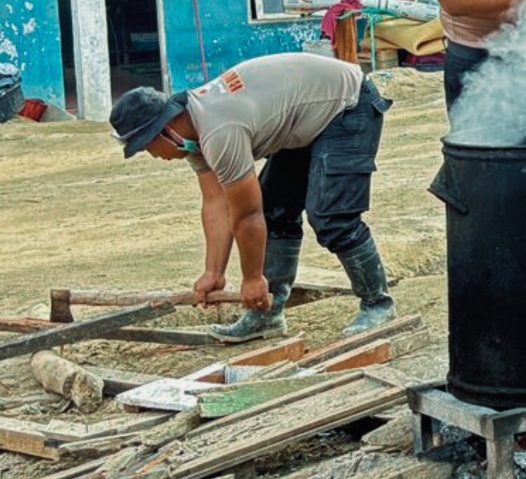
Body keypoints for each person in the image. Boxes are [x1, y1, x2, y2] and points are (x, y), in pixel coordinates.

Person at [110, 54, 394, 340]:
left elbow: (247, 215)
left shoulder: (219, 131)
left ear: (163, 131)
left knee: (331, 217)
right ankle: (267, 316)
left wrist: (253, 278)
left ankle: (377, 305)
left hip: (347, 104)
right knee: (275, 213)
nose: (153, 155)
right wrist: (213, 272)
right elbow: (217, 204)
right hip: (305, 116)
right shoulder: (192, 134)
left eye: (146, 147)